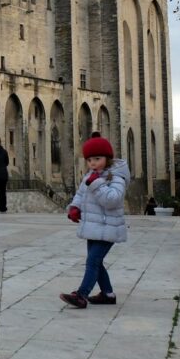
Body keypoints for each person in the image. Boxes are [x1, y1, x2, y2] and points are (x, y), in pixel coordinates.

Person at [60, 132, 130, 309]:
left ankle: (81, 295)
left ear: (107, 158)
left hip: (109, 227)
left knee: (92, 261)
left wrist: (96, 183)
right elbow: (81, 194)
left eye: (97, 159)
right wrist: (75, 208)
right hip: (93, 226)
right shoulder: (91, 175)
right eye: (90, 160)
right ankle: (108, 294)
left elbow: (113, 200)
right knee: (95, 261)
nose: (93, 163)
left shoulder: (116, 176)